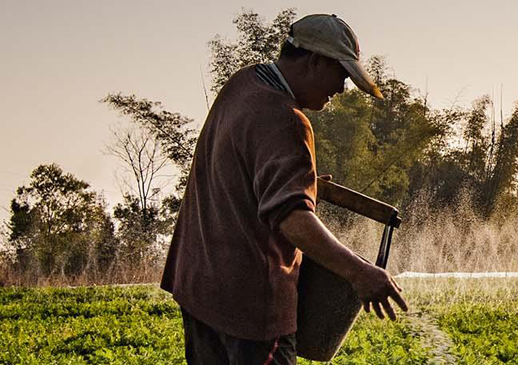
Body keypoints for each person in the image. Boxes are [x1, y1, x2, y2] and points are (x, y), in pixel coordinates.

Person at [160, 14, 408, 365]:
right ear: (315, 60)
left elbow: (236, 171)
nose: (341, 89)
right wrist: (360, 273)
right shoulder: (286, 119)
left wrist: (305, 185)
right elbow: (293, 220)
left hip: (200, 288)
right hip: (249, 310)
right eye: (341, 74)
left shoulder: (243, 85)